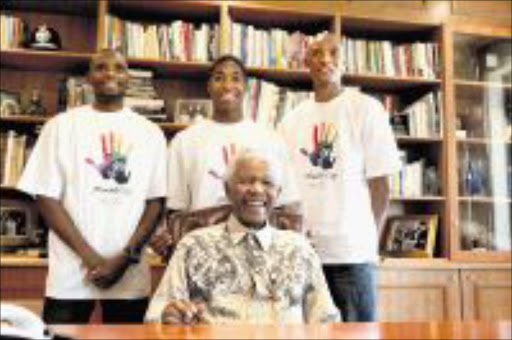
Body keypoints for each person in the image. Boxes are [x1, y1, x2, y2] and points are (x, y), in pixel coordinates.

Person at [17, 49, 167, 324]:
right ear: (88, 78)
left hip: (129, 275)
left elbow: (155, 202)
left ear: (128, 78)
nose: (110, 73)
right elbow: (46, 197)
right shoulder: (60, 127)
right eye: (100, 67)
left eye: (119, 68)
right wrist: (91, 259)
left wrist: (122, 260)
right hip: (70, 274)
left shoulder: (150, 133)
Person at [278, 33, 401, 322]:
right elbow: (283, 191)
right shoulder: (290, 120)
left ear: (345, 61)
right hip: (303, 255)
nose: (326, 59)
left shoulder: (366, 109)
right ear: (306, 61)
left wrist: (369, 242)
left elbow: (380, 185)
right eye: (318, 53)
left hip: (353, 255)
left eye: (334, 53)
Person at [145, 149, 340, 324]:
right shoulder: (193, 245)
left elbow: (326, 319)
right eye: (246, 181)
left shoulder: (299, 248)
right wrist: (168, 316)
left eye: (267, 182)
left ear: (278, 193)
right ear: (227, 190)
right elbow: (155, 314)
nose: (256, 189)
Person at [150, 55, 300, 257]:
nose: (228, 85)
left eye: (236, 78)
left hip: (261, 251)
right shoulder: (184, 141)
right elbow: (176, 209)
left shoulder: (271, 139)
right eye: (219, 78)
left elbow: (286, 205)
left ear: (246, 87)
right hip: (204, 251)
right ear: (209, 87)